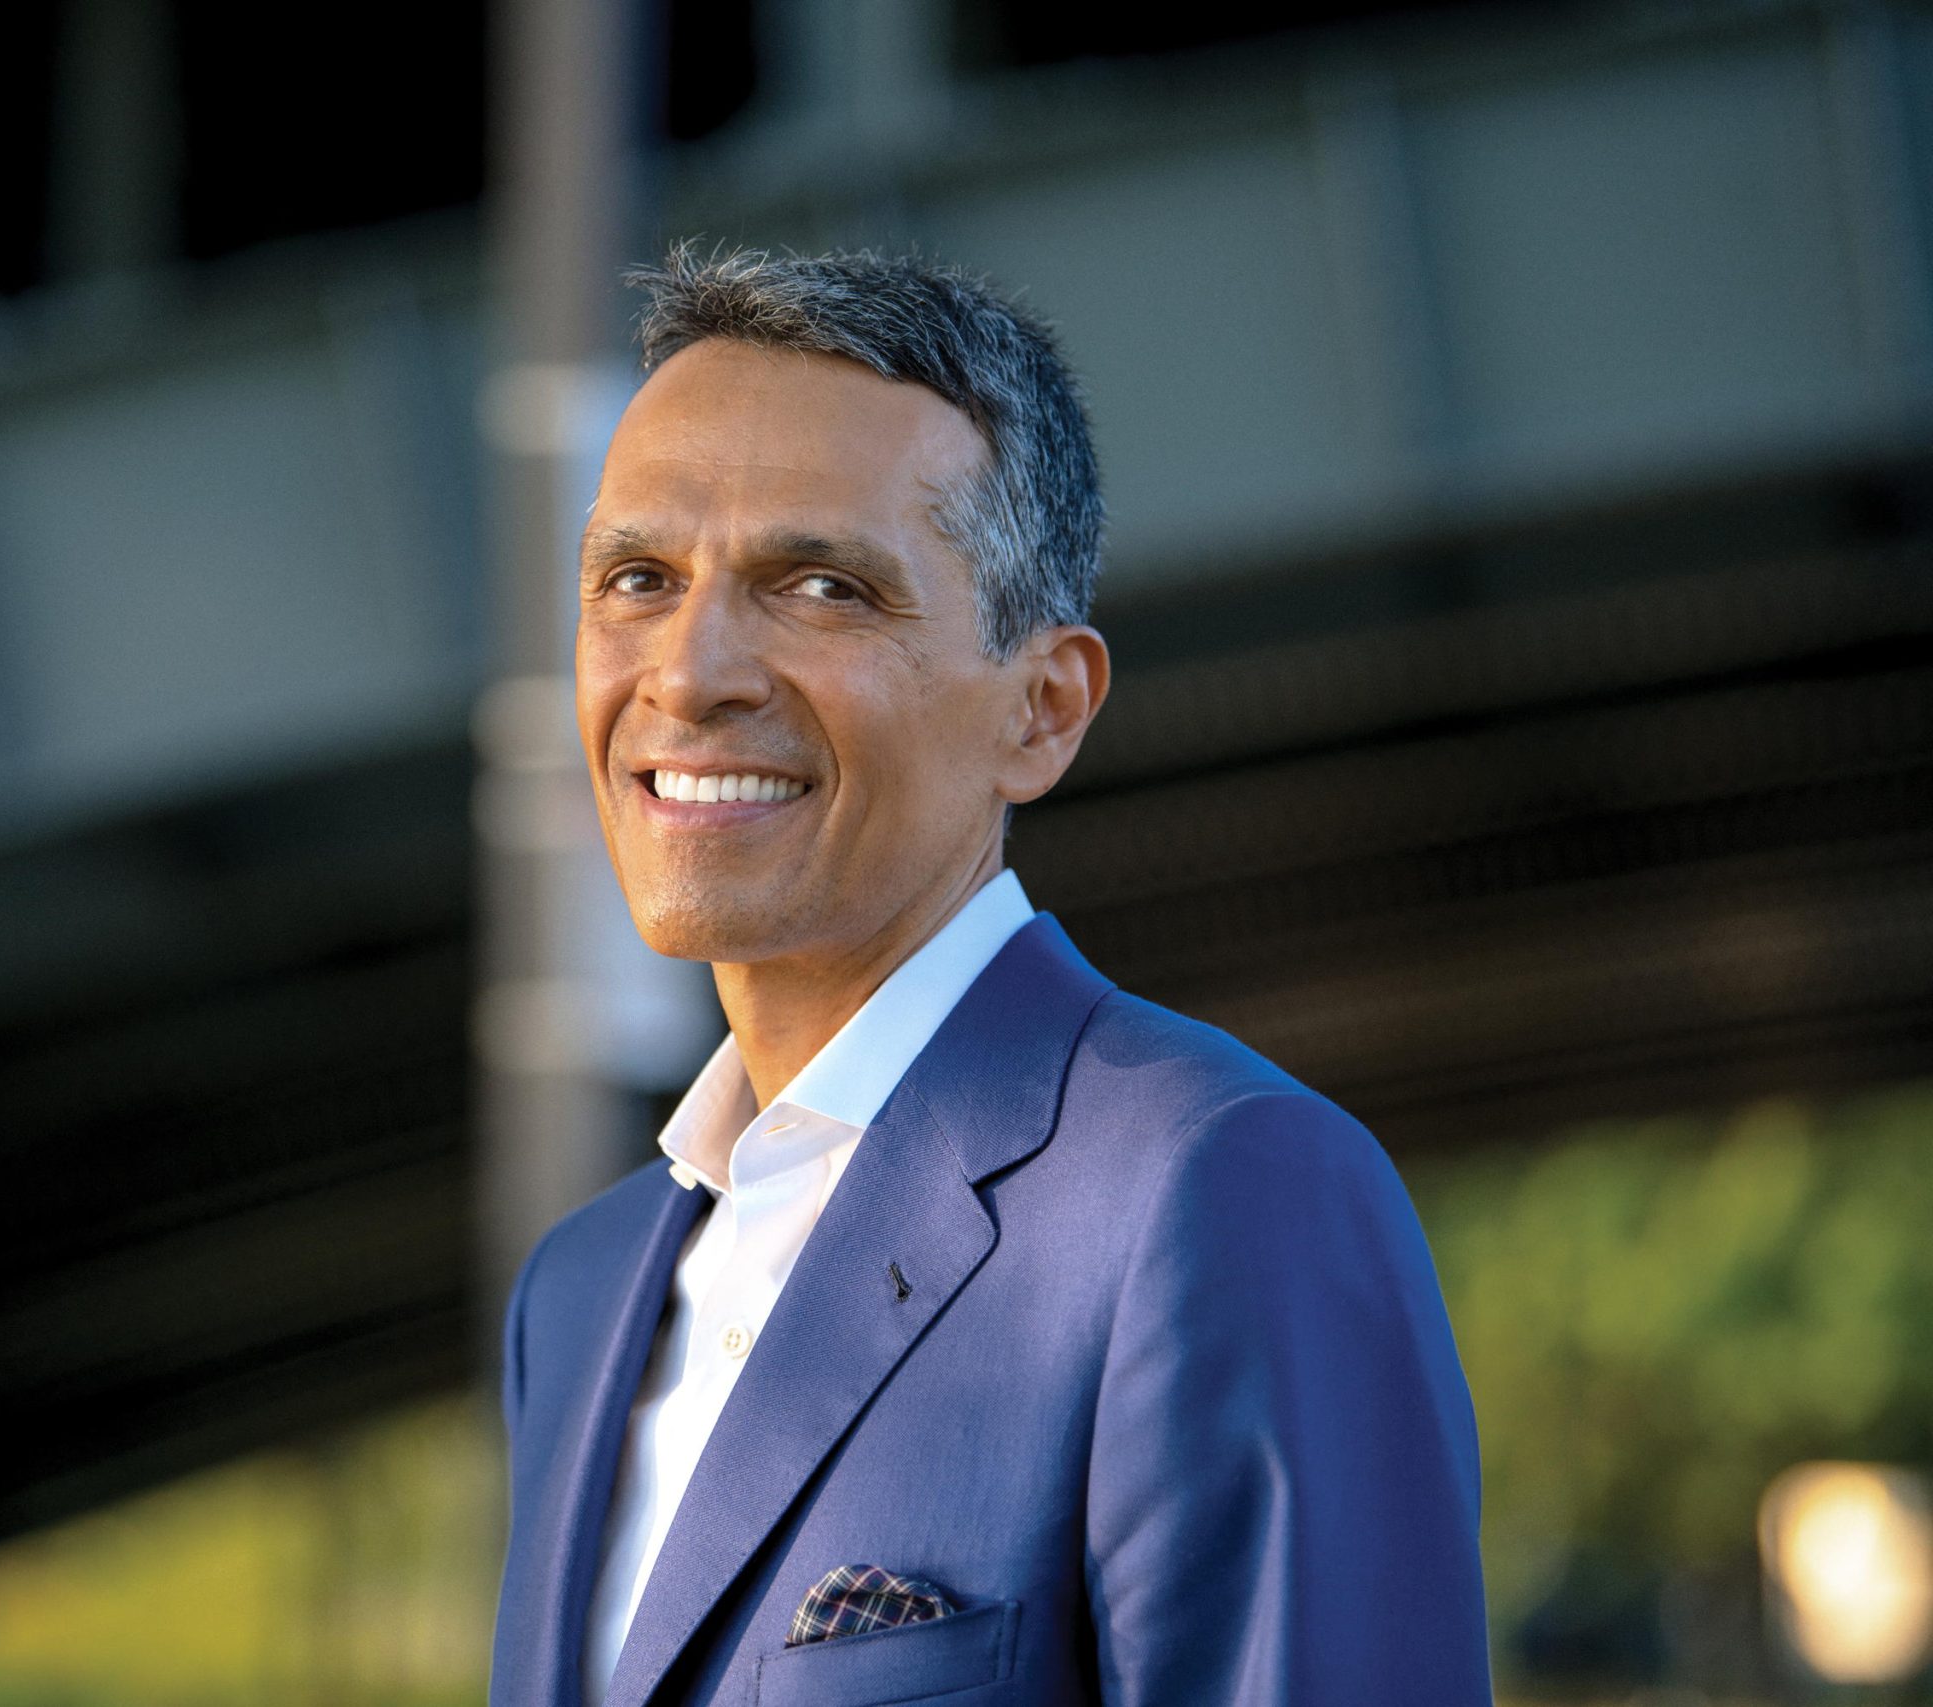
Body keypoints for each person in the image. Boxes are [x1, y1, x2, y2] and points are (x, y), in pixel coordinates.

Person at [488, 246, 1488, 1707]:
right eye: (637, 578)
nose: (691, 670)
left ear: (1045, 707)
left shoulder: (1217, 1194)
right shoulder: (577, 1298)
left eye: (822, 585)